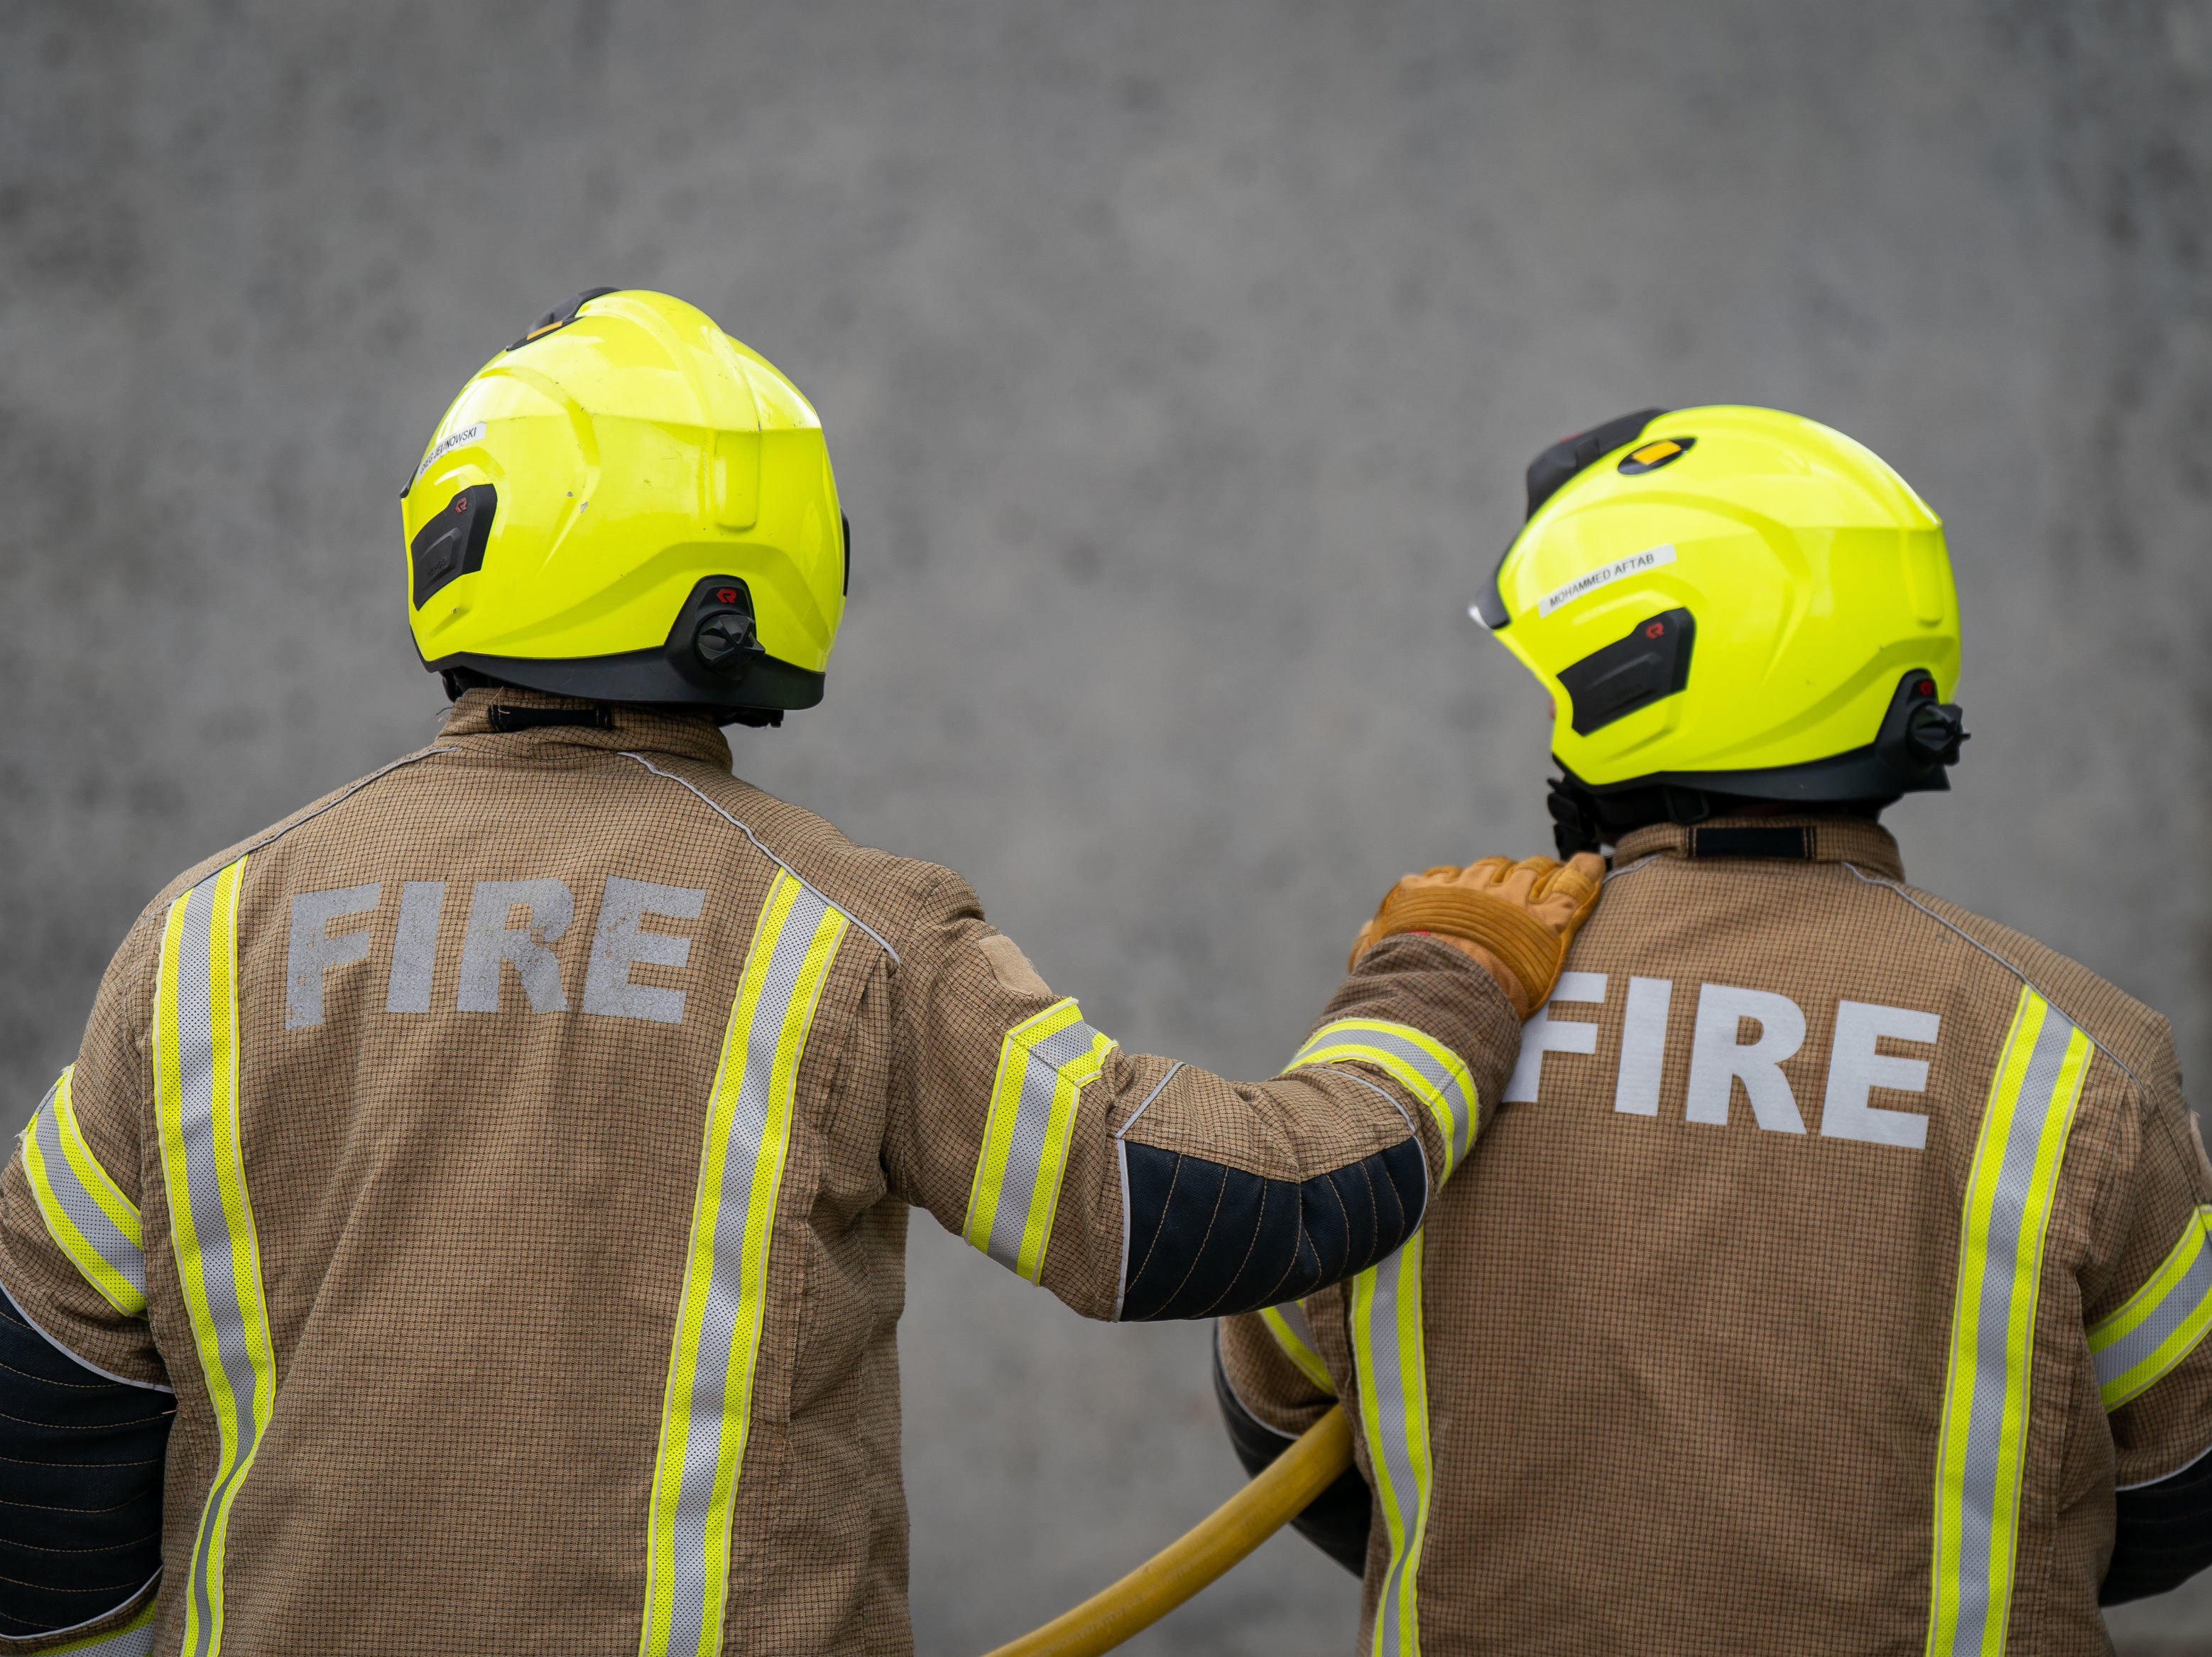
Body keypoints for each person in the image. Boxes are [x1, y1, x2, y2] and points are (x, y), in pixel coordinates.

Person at [0, 289, 1602, 1657]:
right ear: (768, 571)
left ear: (453, 536)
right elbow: (1195, 1206)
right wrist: (1445, 981)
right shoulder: (838, 928)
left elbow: (45, 1442)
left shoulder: (207, 937)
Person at [1214, 406, 2212, 1655]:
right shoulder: (2078, 1057)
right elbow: (2175, 1492)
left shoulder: (1430, 1018)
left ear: (1640, 668)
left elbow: (1280, 1426)